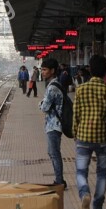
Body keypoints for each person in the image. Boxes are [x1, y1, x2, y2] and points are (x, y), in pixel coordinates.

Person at [73, 54, 106, 209]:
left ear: (90, 70)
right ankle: (98, 207)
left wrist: (75, 132)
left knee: (81, 171)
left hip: (83, 137)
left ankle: (85, 193)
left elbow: (76, 114)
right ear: (105, 70)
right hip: (103, 139)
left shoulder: (81, 89)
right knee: (102, 173)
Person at [39, 58, 66, 189]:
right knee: (53, 152)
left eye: (45, 70)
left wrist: (41, 104)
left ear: (52, 71)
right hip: (53, 124)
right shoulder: (55, 84)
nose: (42, 72)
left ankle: (60, 181)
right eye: (42, 70)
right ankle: (59, 179)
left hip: (54, 125)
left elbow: (44, 107)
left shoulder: (52, 88)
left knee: (54, 153)